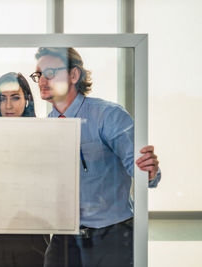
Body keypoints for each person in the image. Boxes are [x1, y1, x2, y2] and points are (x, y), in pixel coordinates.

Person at [29, 47, 161, 267]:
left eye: (50, 72)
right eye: (39, 74)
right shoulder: (46, 126)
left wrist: (149, 173)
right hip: (65, 235)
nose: (42, 80)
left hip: (111, 235)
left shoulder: (108, 115)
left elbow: (141, 170)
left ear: (74, 75)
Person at [0, 72, 49, 267]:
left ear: (27, 100)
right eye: (3, 98)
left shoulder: (43, 137)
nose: (8, 106)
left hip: (32, 233)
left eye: (15, 97)